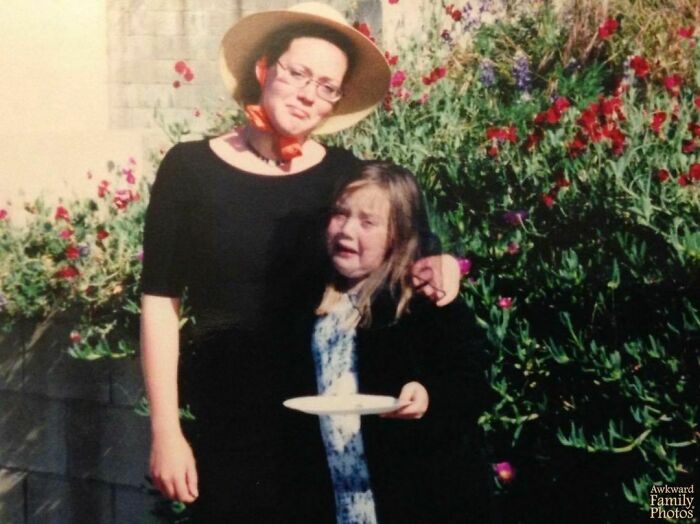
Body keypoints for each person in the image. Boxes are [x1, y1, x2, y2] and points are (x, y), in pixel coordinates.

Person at [139, 3, 463, 522]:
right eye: (298, 73)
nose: (310, 93)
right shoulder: (189, 169)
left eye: (328, 86)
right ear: (264, 70)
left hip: (327, 431)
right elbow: (159, 302)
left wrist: (443, 262)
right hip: (230, 425)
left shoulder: (345, 175)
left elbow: (408, 249)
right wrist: (165, 431)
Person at [307, 161, 494, 523]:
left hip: (417, 499)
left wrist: (429, 396)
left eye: (368, 222)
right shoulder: (317, 302)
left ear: (399, 234)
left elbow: (471, 379)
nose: (347, 230)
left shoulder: (422, 300)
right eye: (340, 214)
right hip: (342, 496)